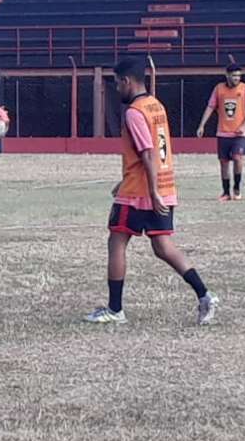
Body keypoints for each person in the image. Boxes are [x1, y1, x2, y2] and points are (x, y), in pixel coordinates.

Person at [85, 57, 219, 326]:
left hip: (141, 192)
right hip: (161, 186)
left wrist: (152, 191)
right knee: (162, 246)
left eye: (116, 83)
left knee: (117, 241)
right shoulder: (155, 105)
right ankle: (205, 295)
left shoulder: (134, 112)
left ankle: (115, 309)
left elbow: (147, 152)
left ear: (126, 81)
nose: (116, 89)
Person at [196, 63, 245, 202]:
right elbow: (210, 107)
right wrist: (202, 125)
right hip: (223, 132)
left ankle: (236, 188)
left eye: (239, 76)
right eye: (234, 75)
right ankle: (225, 192)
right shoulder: (219, 89)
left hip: (239, 134)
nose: (237, 78)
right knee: (224, 162)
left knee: (237, 158)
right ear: (227, 75)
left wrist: (244, 125)